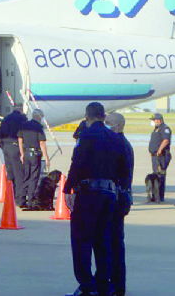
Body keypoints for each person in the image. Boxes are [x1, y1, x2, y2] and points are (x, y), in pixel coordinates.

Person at [63, 102, 129, 296]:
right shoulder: (115, 138)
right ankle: (103, 286)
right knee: (103, 242)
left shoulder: (86, 135)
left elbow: (78, 163)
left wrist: (68, 188)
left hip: (88, 193)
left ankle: (86, 285)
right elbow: (124, 169)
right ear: (102, 116)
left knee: (81, 241)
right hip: (109, 194)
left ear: (88, 117)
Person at [105, 112, 134, 296]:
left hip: (117, 198)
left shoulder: (118, 145)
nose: (105, 125)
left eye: (108, 123)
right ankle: (116, 284)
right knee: (114, 243)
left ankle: (116, 286)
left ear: (116, 126)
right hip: (121, 197)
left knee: (114, 244)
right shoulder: (123, 144)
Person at [0, 104, 28, 207]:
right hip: (15, 145)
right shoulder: (22, 118)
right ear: (21, 110)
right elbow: (24, 134)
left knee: (10, 173)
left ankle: (10, 196)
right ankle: (20, 199)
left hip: (6, 146)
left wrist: (2, 146)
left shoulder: (6, 118)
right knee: (19, 174)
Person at [17, 108, 50, 210]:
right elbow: (42, 143)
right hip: (35, 154)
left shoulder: (24, 125)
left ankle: (21, 200)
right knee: (34, 177)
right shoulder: (38, 127)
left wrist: (22, 153)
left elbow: (20, 139)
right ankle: (31, 200)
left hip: (26, 153)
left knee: (26, 176)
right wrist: (47, 158)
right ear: (39, 117)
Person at [147, 113, 172, 202]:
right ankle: (155, 195)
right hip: (155, 156)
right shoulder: (156, 129)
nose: (153, 122)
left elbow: (166, 140)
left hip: (161, 156)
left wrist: (159, 150)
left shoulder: (164, 129)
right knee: (156, 175)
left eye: (154, 120)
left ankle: (159, 196)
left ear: (159, 120)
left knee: (160, 175)